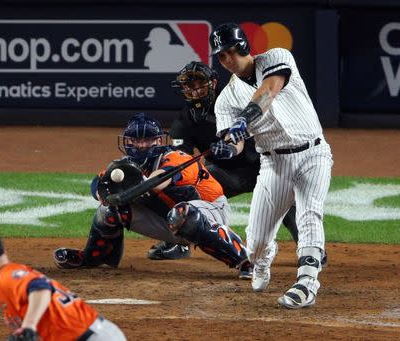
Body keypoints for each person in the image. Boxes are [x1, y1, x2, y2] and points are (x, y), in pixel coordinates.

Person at [208, 23, 333, 309]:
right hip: (274, 164)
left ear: (243, 47)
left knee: (309, 212)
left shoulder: (277, 57)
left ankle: (307, 283)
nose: (227, 60)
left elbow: (270, 89)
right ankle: (263, 259)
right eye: (221, 56)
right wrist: (225, 147)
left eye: (230, 52)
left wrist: (244, 120)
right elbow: (235, 145)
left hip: (314, 153)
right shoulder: (225, 101)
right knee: (255, 244)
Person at [54, 112, 262, 280]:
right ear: (127, 141)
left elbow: (158, 181)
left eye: (147, 139)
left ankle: (244, 260)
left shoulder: (175, 157)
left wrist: (131, 188)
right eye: (136, 139)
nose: (141, 144)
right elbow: (98, 183)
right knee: (109, 210)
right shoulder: (126, 165)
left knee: (182, 214)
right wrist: (103, 193)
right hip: (169, 221)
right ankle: (90, 257)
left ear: (157, 140)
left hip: (210, 212)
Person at [147, 61, 303, 262]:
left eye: (199, 84)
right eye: (189, 87)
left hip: (264, 166)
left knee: (287, 199)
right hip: (224, 173)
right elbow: (180, 159)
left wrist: (231, 147)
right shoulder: (186, 120)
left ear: (212, 83)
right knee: (181, 185)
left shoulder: (234, 98)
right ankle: (179, 243)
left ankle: (308, 249)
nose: (195, 92)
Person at [0, 230, 126, 341]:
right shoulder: (11, 276)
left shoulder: (8, 277)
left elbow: (40, 287)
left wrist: (29, 326)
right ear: (4, 253)